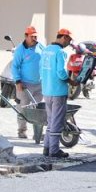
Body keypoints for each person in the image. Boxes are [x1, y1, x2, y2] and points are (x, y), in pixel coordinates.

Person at [40, 28, 74, 159]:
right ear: (64, 38)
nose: (69, 43)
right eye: (69, 40)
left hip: (46, 90)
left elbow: (41, 69)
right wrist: (71, 81)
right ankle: (54, 150)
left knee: (50, 121)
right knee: (57, 121)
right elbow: (61, 72)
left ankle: (46, 147)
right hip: (58, 91)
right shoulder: (60, 52)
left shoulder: (46, 50)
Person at [11, 25, 45, 139]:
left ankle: (37, 132)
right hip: (24, 84)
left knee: (38, 109)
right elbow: (14, 66)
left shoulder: (41, 47)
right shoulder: (20, 50)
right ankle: (22, 130)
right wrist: (18, 81)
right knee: (22, 108)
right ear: (26, 36)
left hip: (39, 84)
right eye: (32, 37)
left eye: (36, 36)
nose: (34, 39)